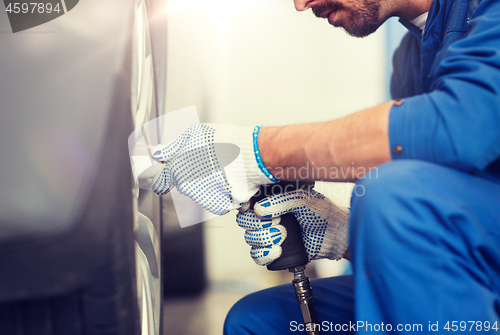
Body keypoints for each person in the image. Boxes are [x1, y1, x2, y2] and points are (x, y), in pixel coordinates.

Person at [152, 0, 500, 333]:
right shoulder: (410, 56)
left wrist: (256, 152)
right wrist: (341, 233)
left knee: (393, 195)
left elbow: (464, 123)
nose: (300, 4)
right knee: (258, 320)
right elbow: (441, 221)